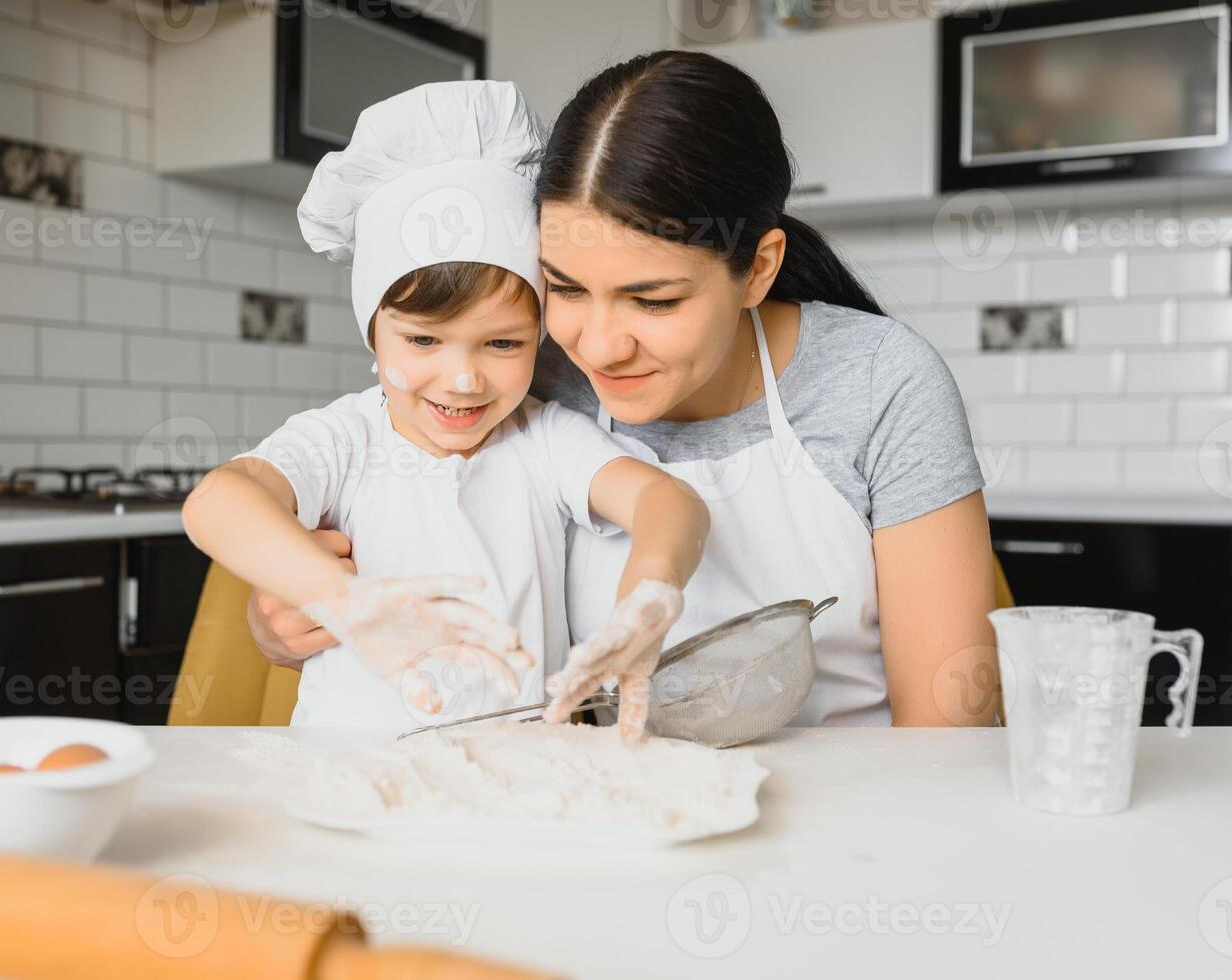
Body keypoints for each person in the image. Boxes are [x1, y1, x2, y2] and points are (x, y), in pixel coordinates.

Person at [245, 52, 998, 729]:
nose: (599, 345)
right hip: (612, 818)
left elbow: (945, 735)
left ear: (760, 268)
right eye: (566, 289)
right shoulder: (518, 381)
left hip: (850, 839)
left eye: (654, 301)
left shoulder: (876, 383)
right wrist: (287, 618)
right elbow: (383, 518)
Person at [182, 80, 709, 738]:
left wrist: (649, 591)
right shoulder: (343, 441)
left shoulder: (542, 439)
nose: (462, 380)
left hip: (519, 784)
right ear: (372, 331)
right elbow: (215, 502)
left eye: (502, 343)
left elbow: (669, 504)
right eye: (423, 340)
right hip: (346, 779)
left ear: (539, 337)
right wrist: (345, 602)